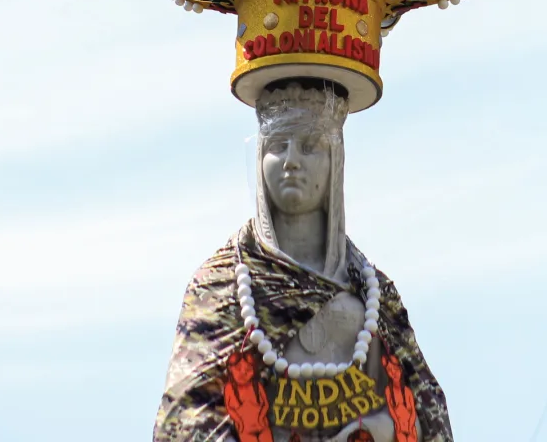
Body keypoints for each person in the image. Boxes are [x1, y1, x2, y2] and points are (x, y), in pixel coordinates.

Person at [153, 81, 453, 442]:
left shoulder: (374, 293)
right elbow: (186, 423)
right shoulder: (221, 286)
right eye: (278, 146)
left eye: (309, 146)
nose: (291, 161)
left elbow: (425, 413)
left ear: (335, 160)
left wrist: (383, 428)